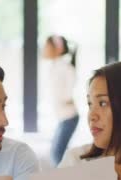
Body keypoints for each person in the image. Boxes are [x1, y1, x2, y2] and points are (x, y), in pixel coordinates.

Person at [42, 35, 79, 166]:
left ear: (57, 49)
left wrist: (64, 100)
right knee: (58, 154)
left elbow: (68, 91)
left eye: (47, 46)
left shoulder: (65, 67)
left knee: (56, 154)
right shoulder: (55, 66)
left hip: (69, 116)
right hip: (63, 117)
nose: (43, 49)